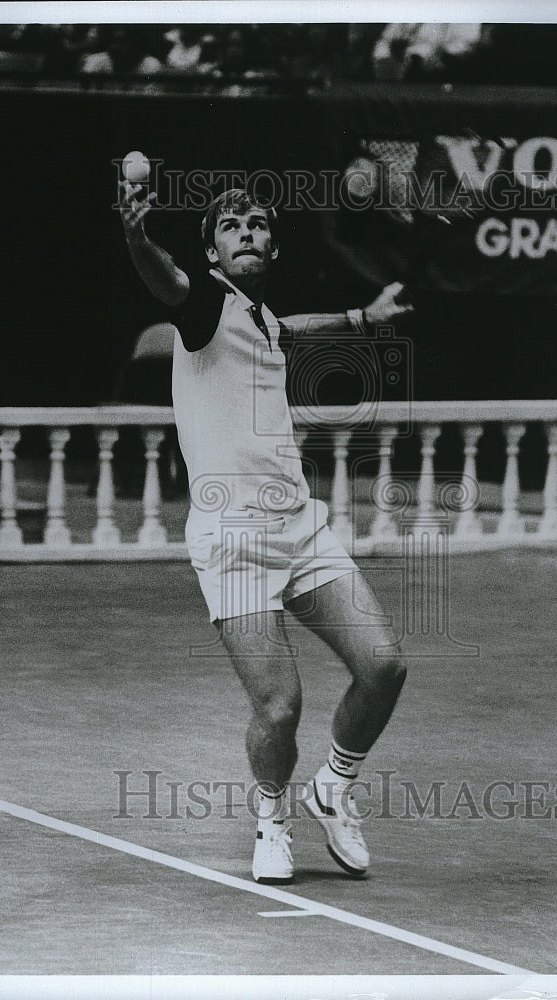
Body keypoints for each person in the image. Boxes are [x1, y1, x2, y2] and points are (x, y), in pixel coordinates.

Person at [120, 180, 412, 885]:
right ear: (213, 248)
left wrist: (360, 316)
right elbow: (168, 281)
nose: (245, 232)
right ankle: (273, 819)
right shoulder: (202, 306)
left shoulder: (255, 315)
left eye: (257, 224)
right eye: (230, 226)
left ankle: (333, 787)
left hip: (298, 526)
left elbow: (292, 327)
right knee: (280, 706)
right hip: (233, 539)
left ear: (272, 246)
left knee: (384, 667)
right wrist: (135, 237)